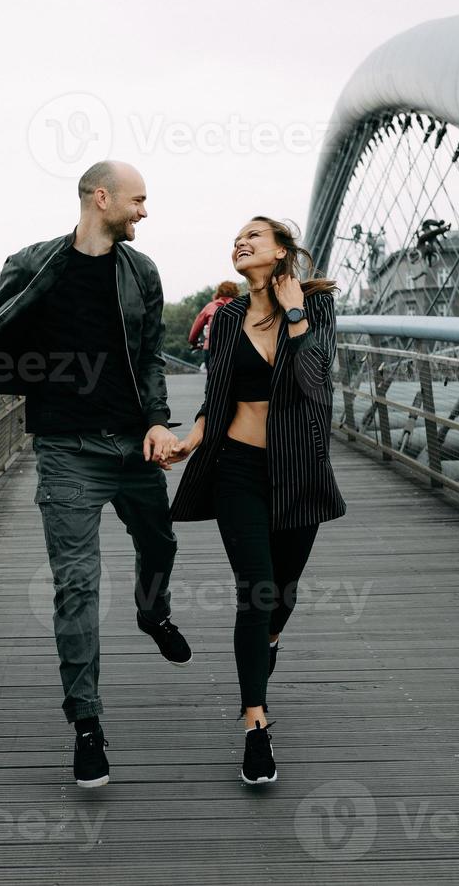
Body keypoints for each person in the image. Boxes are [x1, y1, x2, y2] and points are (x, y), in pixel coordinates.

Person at [0, 160, 190, 789]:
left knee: (159, 543)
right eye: (137, 200)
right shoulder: (33, 264)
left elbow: (150, 357)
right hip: (67, 450)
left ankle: (152, 612)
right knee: (76, 586)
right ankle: (87, 723)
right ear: (100, 198)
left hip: (134, 447)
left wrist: (160, 422)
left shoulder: (143, 272)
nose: (144, 211)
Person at [167, 216, 346, 785]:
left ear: (281, 252)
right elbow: (216, 392)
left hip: (299, 470)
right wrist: (190, 440)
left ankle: (267, 645)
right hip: (237, 468)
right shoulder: (225, 317)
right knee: (257, 591)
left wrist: (294, 316)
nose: (240, 242)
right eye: (236, 237)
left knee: (282, 595)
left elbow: (317, 385)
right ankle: (255, 725)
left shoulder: (315, 309)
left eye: (254, 236)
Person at [187, 281, 241, 371]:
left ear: (218, 292)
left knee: (212, 380)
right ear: (236, 293)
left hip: (210, 347)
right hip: (233, 349)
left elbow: (194, 333)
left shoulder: (210, 307)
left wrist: (194, 342)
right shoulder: (240, 307)